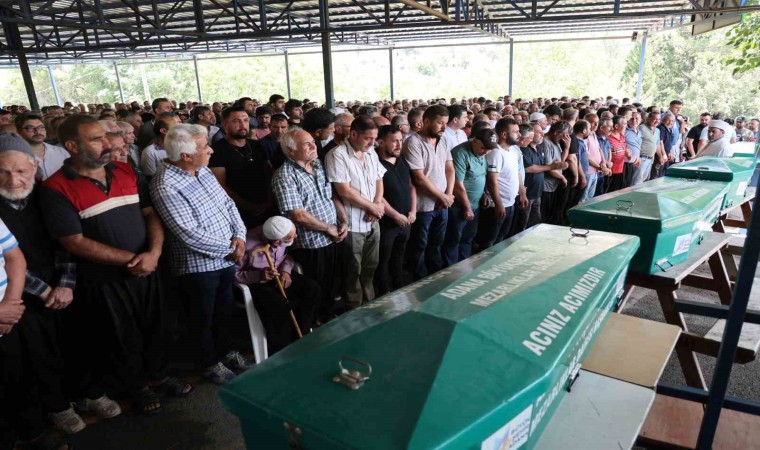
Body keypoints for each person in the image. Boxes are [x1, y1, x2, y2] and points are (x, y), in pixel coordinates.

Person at [41, 115, 187, 416]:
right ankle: (137, 386)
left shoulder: (125, 170)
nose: (107, 144)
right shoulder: (55, 188)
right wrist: (133, 260)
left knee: (156, 325)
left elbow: (150, 213)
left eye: (105, 137)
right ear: (72, 146)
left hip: (148, 268)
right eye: (96, 139)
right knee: (122, 335)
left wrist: (154, 252)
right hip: (105, 279)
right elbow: (74, 241)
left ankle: (159, 375)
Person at [150, 124, 251, 384]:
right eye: (205, 147)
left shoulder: (203, 170)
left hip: (226, 258)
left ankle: (226, 351)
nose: (210, 150)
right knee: (201, 318)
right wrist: (232, 249)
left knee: (224, 311)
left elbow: (228, 203)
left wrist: (240, 236)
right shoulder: (165, 185)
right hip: (198, 266)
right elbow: (188, 233)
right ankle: (208, 363)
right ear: (186, 156)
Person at [272, 129, 348, 322]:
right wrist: (328, 228)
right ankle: (317, 327)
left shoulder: (318, 165)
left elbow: (332, 196)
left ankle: (329, 319)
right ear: (291, 150)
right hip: (311, 244)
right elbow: (298, 215)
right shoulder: (284, 176)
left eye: (313, 141)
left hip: (333, 236)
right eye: (307, 144)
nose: (314, 146)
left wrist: (343, 221)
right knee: (317, 291)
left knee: (333, 286)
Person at [325, 116, 384, 309]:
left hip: (373, 218)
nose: (372, 143)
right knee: (353, 267)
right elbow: (344, 190)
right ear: (353, 134)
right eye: (368, 138)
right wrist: (371, 207)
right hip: (352, 222)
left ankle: (369, 300)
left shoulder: (371, 152)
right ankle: (354, 305)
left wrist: (377, 204)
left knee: (371, 264)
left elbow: (378, 179)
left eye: (374, 138)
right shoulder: (337, 155)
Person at [235, 216, 318, 354]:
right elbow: (233, 274)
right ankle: (284, 348)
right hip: (255, 282)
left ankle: (302, 334)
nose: (296, 236)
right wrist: (258, 275)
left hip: (279, 273)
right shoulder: (246, 245)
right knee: (279, 305)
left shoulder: (280, 230)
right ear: (276, 242)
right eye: (290, 237)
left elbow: (286, 257)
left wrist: (286, 271)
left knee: (311, 288)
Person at [403, 105, 453, 280]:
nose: (444, 127)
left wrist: (448, 195)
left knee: (437, 243)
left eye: (445, 123)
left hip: (442, 204)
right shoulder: (413, 142)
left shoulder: (443, 140)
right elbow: (419, 177)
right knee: (420, 245)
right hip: (423, 206)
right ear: (426, 121)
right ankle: (419, 280)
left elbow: (450, 168)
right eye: (440, 123)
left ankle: (436, 277)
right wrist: (442, 196)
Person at [210, 106, 273, 228]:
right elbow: (221, 187)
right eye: (236, 121)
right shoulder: (217, 151)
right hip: (238, 212)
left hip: (266, 205)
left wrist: (269, 201)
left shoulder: (257, 145)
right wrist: (249, 207)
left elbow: (269, 173)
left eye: (245, 120)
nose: (243, 125)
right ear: (225, 124)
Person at [443, 127, 496, 263]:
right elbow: (457, 185)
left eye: (489, 149)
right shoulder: (460, 153)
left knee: (467, 239)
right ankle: (451, 269)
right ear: (475, 140)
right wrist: (467, 207)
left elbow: (481, 175)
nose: (485, 152)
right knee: (453, 240)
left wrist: (484, 194)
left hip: (475, 205)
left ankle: (464, 267)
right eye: (483, 148)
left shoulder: (482, 154)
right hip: (459, 206)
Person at [375, 125, 415, 296]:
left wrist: (413, 211)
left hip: (407, 220)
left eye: (400, 140)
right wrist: (395, 215)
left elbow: (411, 186)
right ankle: (384, 292)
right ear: (381, 142)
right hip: (387, 222)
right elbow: (377, 195)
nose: (399, 145)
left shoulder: (402, 160)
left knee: (399, 256)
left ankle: (399, 287)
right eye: (394, 141)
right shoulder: (375, 163)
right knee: (383, 259)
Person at [15, 114, 69, 180]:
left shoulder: (61, 152)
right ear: (19, 132)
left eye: (41, 127)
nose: (38, 131)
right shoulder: (14, 157)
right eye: (30, 128)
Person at [539, 122, 570, 224]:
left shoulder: (556, 141)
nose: (564, 138)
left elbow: (561, 161)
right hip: (546, 185)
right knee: (544, 215)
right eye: (563, 135)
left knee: (550, 214)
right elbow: (549, 167)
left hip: (553, 185)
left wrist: (567, 147)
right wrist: (562, 177)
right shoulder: (545, 142)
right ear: (556, 132)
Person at [140, 112, 180, 177]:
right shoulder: (149, 152)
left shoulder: (181, 145)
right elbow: (151, 177)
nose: (180, 129)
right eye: (176, 127)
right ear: (163, 131)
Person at [607, 115, 629, 192]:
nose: (626, 126)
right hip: (610, 171)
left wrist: (628, 154)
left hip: (620, 169)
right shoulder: (608, 137)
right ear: (616, 126)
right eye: (625, 124)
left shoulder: (622, 136)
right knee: (608, 192)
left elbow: (626, 150)